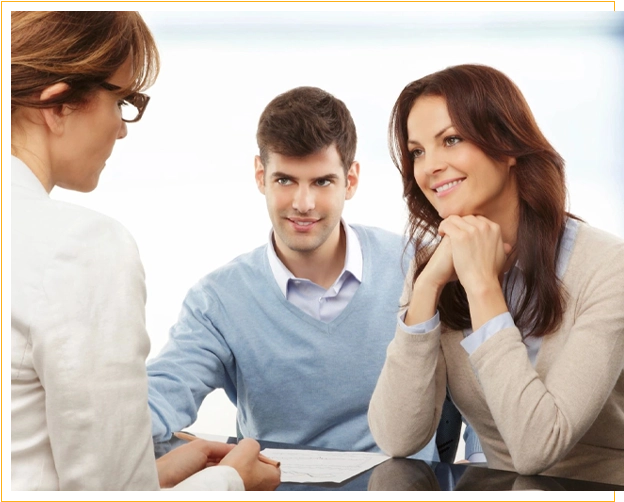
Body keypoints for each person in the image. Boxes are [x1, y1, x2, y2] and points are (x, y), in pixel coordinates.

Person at [9, 10, 280, 492]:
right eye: (123, 100)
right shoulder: (80, 246)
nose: (122, 127)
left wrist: (155, 473)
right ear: (57, 104)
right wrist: (229, 481)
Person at [146, 86, 438, 461]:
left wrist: (485, 470)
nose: (303, 204)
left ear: (350, 181)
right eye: (285, 180)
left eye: (322, 182)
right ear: (260, 176)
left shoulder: (414, 266)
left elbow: (477, 383)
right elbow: (166, 391)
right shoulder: (218, 299)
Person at [368, 64, 624, 485]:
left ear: (506, 148)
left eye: (451, 140)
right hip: (498, 489)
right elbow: (397, 437)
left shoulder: (607, 268)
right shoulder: (433, 267)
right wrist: (427, 287)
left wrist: (483, 286)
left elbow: (538, 447)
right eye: (417, 151)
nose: (430, 167)